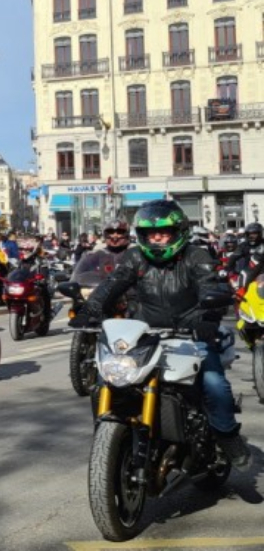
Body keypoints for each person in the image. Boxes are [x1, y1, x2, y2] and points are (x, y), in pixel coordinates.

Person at [73, 200, 251, 469]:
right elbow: (112, 284)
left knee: (215, 384)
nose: (156, 238)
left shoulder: (196, 256)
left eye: (164, 232)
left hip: (192, 334)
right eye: (150, 234)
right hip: (146, 333)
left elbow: (212, 286)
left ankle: (228, 435)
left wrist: (208, 319)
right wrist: (90, 308)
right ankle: (108, 434)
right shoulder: (135, 257)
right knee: (108, 377)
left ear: (179, 232)